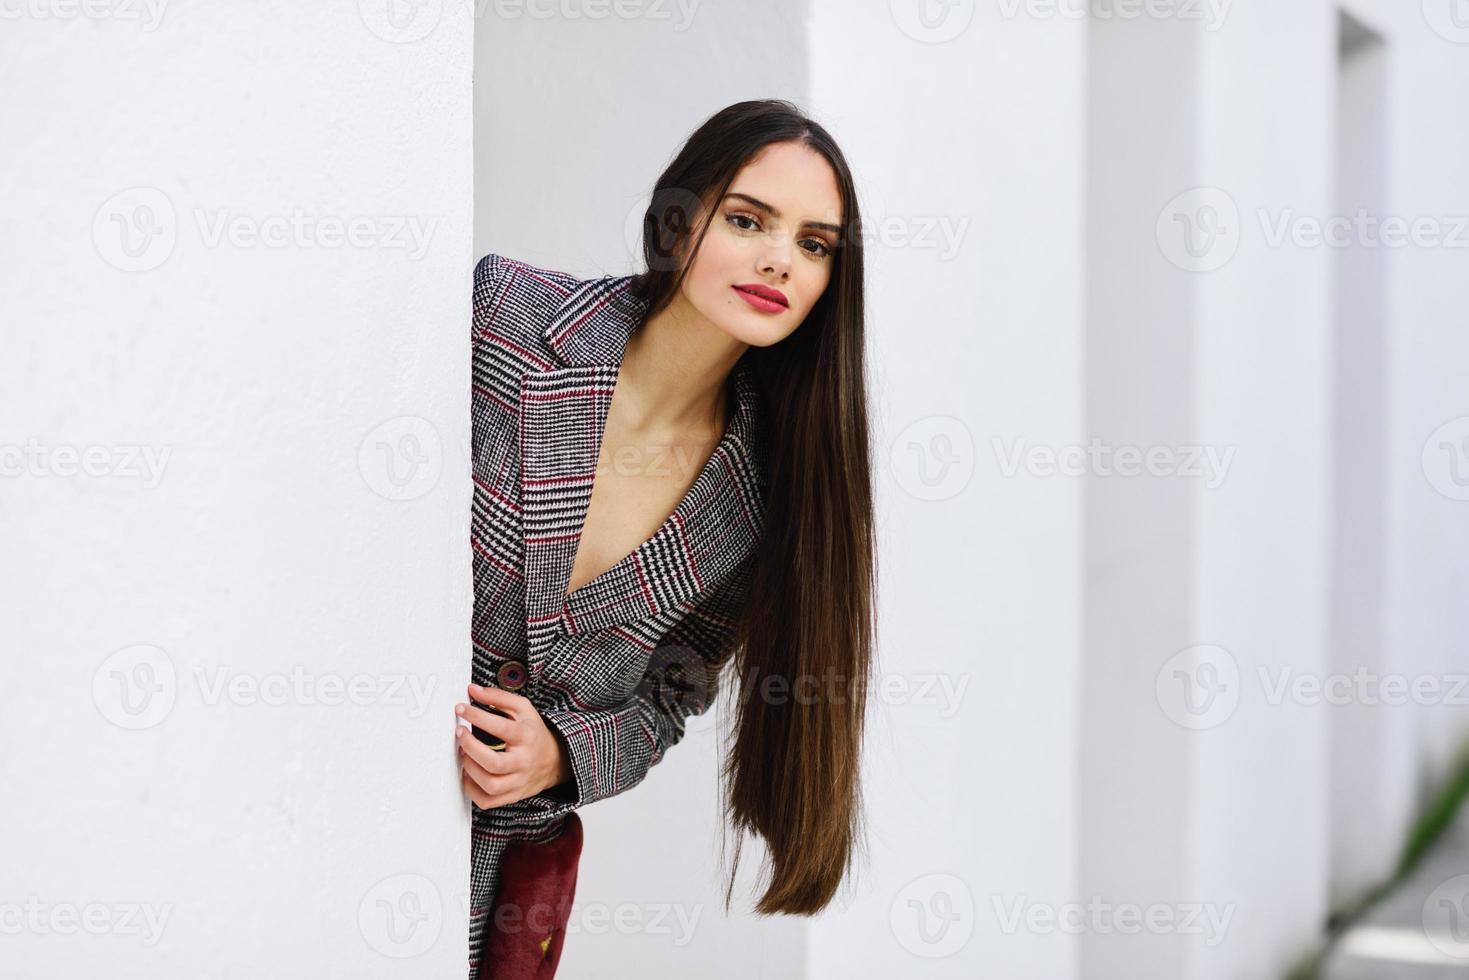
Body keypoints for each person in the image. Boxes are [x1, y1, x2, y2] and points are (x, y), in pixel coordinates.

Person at [460, 98, 877, 978]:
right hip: (332, 791)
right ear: (674, 222)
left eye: (813, 244)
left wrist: (564, 754)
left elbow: (672, 690)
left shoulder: (761, 504)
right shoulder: (503, 320)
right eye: (746, 219)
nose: (778, 259)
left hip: (492, 882)